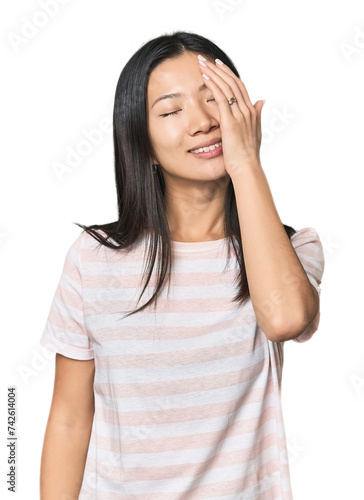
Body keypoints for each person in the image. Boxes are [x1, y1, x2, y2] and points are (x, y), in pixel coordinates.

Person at [39, 30, 325, 499]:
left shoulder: (291, 250)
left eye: (214, 99)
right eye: (172, 111)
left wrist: (246, 163)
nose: (202, 122)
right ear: (144, 145)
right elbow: (70, 419)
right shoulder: (93, 259)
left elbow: (285, 317)